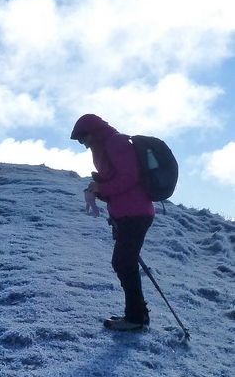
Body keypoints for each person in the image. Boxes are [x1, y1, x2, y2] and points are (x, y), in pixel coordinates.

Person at [71, 113, 158, 332]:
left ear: (94, 131)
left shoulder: (116, 143)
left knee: (123, 263)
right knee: (124, 263)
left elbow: (130, 178)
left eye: (84, 138)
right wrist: (97, 191)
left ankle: (136, 318)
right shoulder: (103, 148)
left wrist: (102, 189)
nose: (84, 144)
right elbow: (115, 182)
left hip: (136, 213)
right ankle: (137, 315)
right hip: (127, 214)